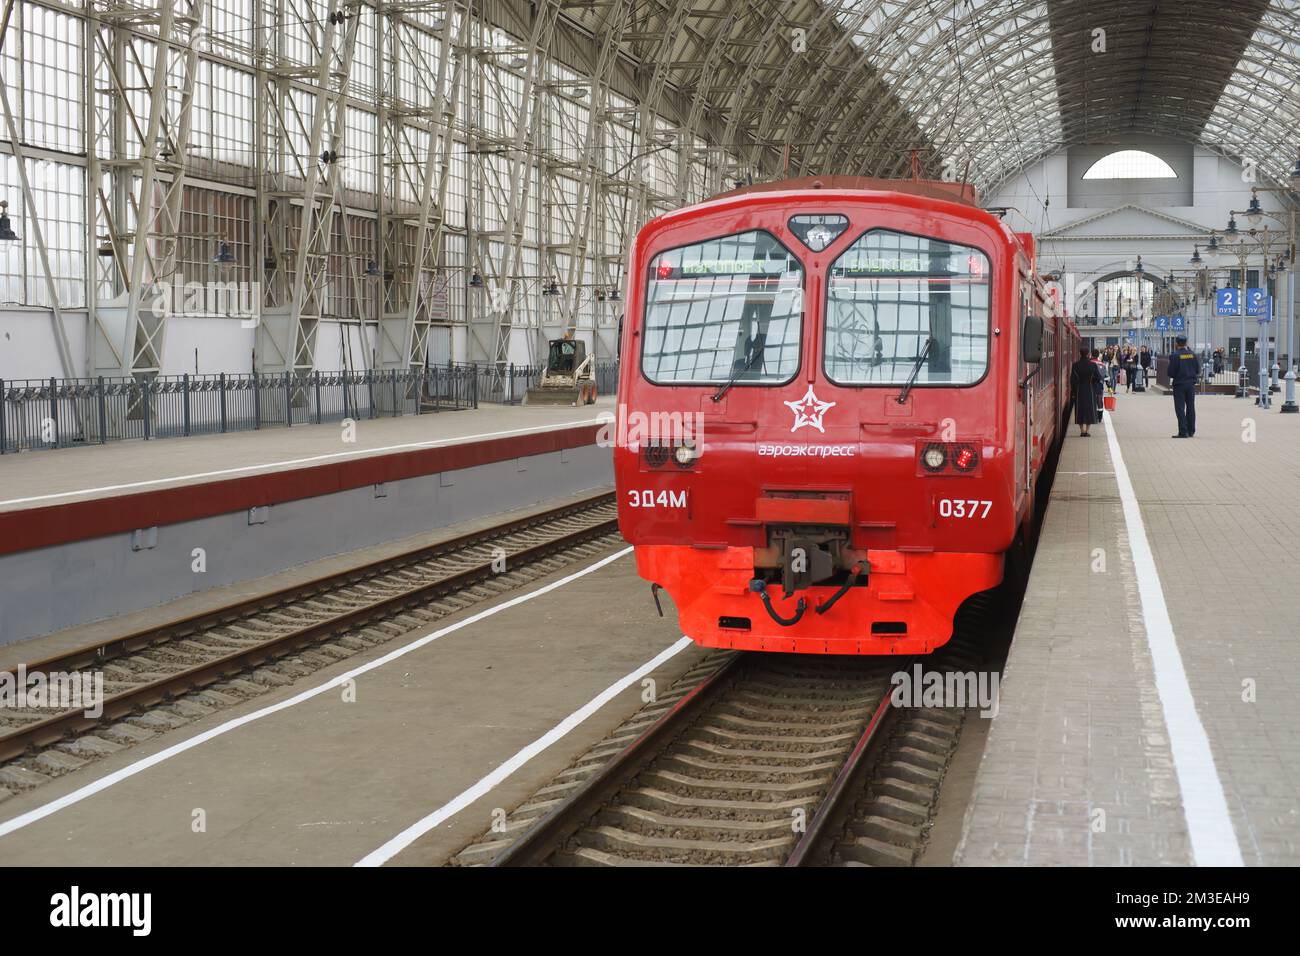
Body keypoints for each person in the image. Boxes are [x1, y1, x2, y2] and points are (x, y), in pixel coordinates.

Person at [1167, 333, 1201, 438]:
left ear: (1176, 343)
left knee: (1180, 408)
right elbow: (1198, 370)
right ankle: (1191, 430)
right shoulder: (1193, 354)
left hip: (1179, 385)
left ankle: (1183, 431)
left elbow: (1170, 373)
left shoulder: (1175, 356)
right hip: (1191, 384)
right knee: (1191, 407)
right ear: (1186, 343)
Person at [1070, 346, 1103, 436]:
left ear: (1080, 354)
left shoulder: (1075, 365)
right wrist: (1093, 380)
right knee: (1089, 410)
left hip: (1079, 390)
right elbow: (1099, 378)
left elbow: (1072, 380)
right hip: (1090, 389)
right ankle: (1087, 431)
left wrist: (1073, 392)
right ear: (1088, 354)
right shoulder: (1093, 365)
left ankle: (1081, 431)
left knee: (1080, 409)